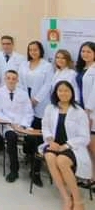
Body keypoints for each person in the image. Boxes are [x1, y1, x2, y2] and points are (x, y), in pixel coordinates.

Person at [41, 81, 91, 210]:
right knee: (51, 158)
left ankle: (78, 200)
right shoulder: (50, 108)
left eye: (66, 91)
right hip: (53, 144)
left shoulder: (79, 111)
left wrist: (65, 146)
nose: (63, 93)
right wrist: (50, 140)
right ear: (56, 93)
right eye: (60, 90)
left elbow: (85, 137)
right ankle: (66, 197)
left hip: (72, 147)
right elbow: (45, 126)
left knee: (62, 161)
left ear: (72, 93)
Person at [19, 40, 53, 187]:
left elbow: (48, 84)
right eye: (30, 49)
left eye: (36, 50)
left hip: (41, 105)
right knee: (27, 133)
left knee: (38, 137)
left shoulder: (47, 66)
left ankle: (36, 170)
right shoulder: (24, 65)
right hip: (25, 102)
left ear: (41, 51)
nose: (33, 52)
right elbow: (20, 82)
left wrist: (36, 99)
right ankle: (29, 157)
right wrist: (26, 100)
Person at [0, 70, 34, 183]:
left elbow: (29, 112)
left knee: (34, 138)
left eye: (13, 78)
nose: (11, 80)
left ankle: (35, 171)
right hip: (6, 125)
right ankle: (14, 169)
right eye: (8, 78)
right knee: (11, 137)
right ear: (5, 79)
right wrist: (12, 124)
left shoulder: (23, 94)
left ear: (17, 80)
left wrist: (23, 125)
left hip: (23, 125)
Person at [76, 41, 95, 185]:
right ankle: (90, 177)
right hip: (81, 111)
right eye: (83, 51)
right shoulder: (82, 68)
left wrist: (88, 113)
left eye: (89, 51)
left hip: (91, 112)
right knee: (85, 146)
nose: (85, 54)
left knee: (92, 146)